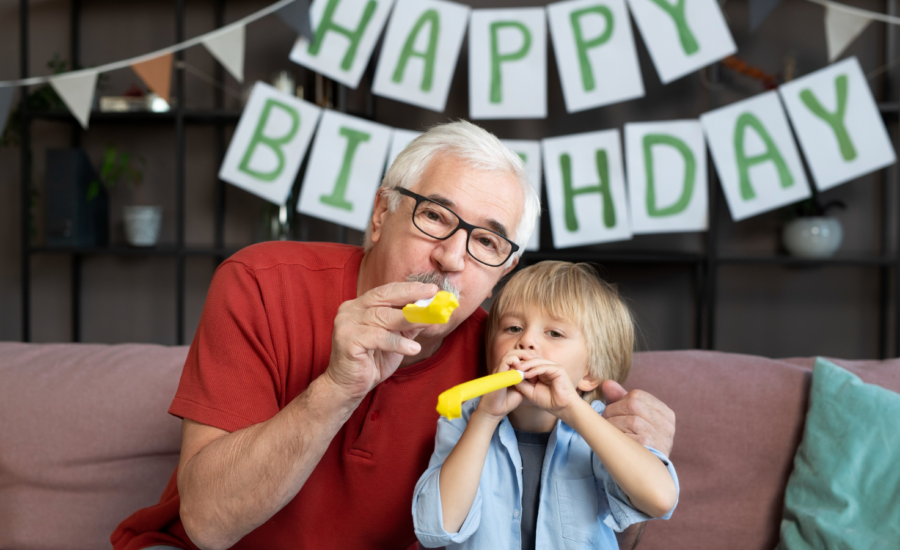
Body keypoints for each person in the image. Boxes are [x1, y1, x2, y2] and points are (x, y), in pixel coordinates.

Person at [111, 121, 676, 550]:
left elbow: (577, 522)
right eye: (434, 216)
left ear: (503, 271)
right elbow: (208, 523)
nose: (452, 257)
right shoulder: (260, 284)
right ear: (380, 214)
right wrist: (337, 387)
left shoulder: (500, 358)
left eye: (487, 242)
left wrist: (632, 448)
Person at [412, 262, 679, 549]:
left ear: (589, 374)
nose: (525, 341)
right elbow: (434, 529)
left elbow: (661, 500)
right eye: (513, 328)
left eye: (554, 333)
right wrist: (486, 417)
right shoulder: (466, 419)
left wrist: (570, 408)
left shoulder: (604, 428)